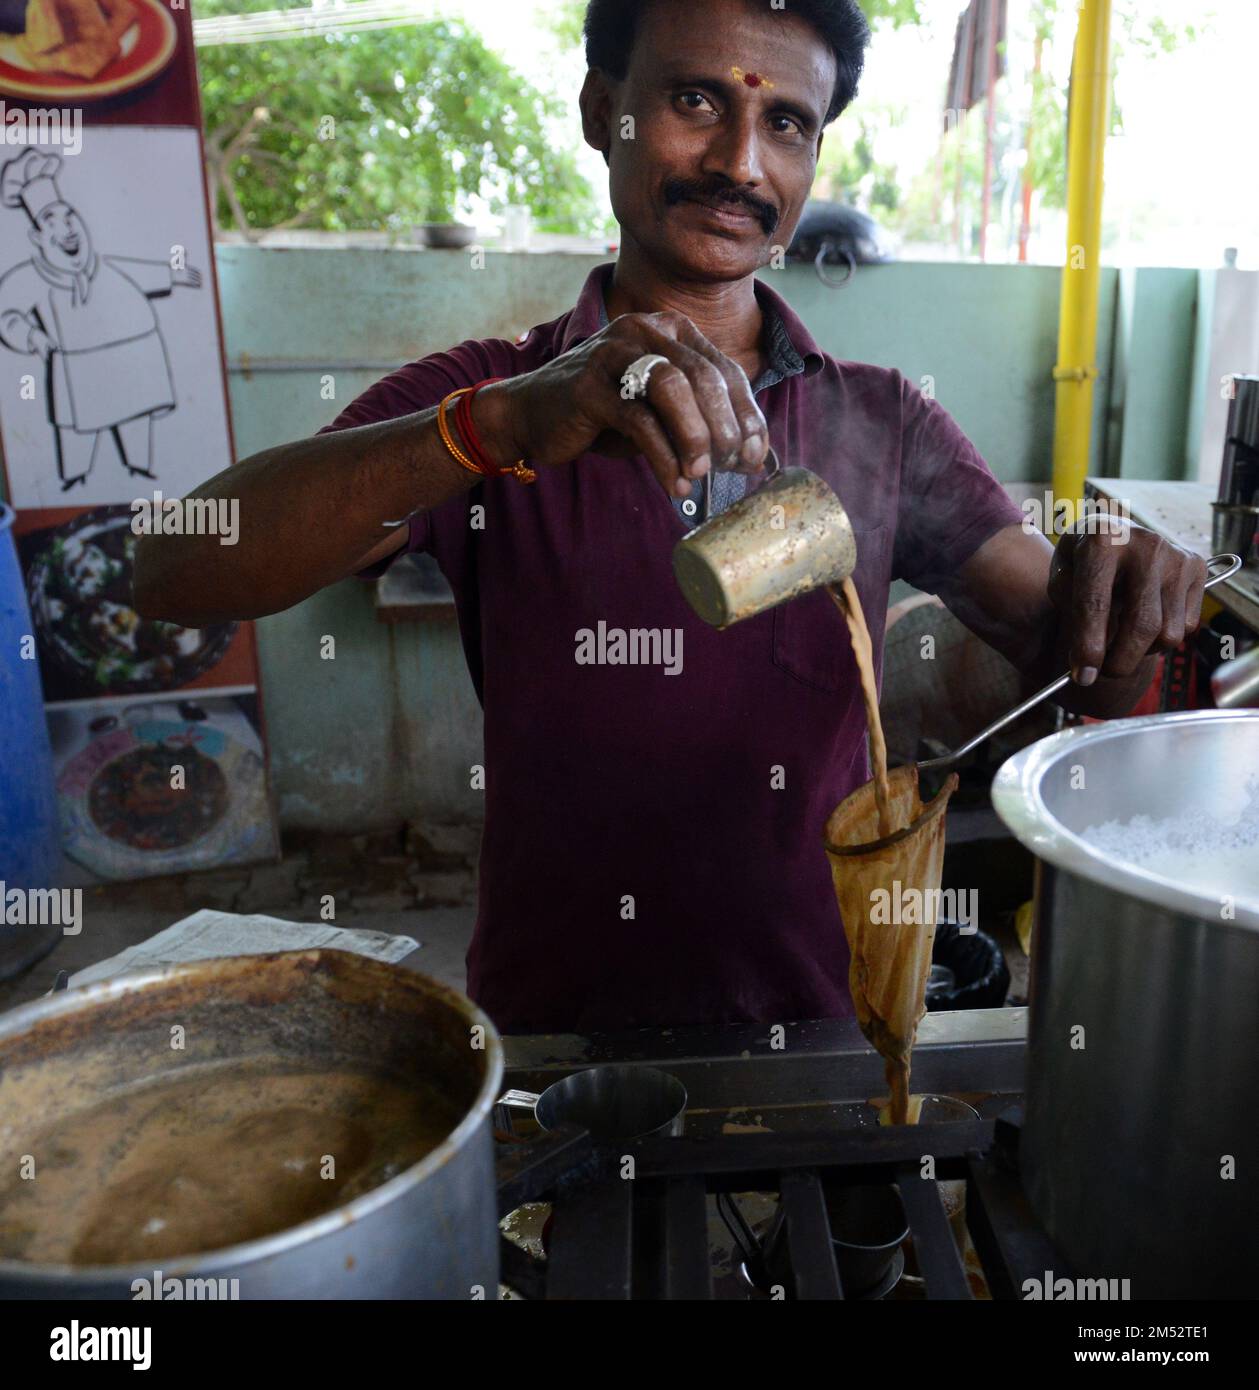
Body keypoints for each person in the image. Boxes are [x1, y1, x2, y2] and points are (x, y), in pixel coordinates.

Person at [135, 0, 1206, 1035]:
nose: (740, 163)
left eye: (785, 124)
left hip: (825, 1031)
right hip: (553, 1045)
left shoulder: (880, 421)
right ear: (603, 110)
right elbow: (174, 572)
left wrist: (1122, 603)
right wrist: (492, 428)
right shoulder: (491, 398)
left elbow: (1077, 663)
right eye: (695, 101)